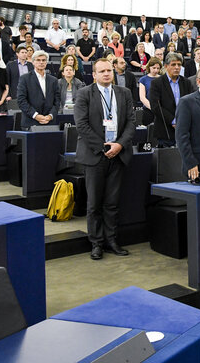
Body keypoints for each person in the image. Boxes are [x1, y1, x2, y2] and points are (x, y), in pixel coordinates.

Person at [74, 58, 136, 260]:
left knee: (112, 203)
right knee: (94, 204)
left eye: (109, 70)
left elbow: (131, 123)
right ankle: (96, 243)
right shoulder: (84, 94)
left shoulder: (124, 93)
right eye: (102, 71)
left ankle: (111, 240)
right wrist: (103, 147)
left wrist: (119, 145)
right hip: (95, 156)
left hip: (118, 155)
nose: (107, 74)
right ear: (94, 74)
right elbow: (81, 125)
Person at [149, 52, 192, 147]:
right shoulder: (157, 83)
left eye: (179, 65)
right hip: (165, 131)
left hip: (184, 130)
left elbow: (191, 104)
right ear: (166, 66)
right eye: (173, 64)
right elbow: (156, 106)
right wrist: (173, 120)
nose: (177, 67)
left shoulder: (187, 83)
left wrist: (183, 121)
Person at [17, 51, 60, 130]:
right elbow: (21, 100)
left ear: (46, 62)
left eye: (43, 60)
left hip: (49, 123)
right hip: (30, 122)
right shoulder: (25, 78)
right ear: (33, 62)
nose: (41, 62)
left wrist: (50, 116)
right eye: (38, 60)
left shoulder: (53, 80)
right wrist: (36, 115)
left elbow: (57, 101)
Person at [137, 57, 161, 126]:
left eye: (158, 68)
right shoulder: (143, 79)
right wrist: (153, 108)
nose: (156, 70)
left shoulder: (163, 78)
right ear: (149, 67)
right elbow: (142, 97)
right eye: (154, 68)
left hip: (161, 111)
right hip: (148, 111)